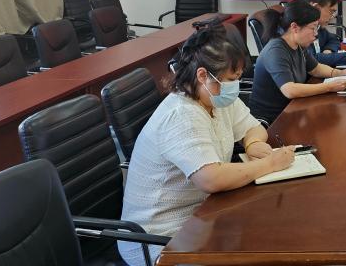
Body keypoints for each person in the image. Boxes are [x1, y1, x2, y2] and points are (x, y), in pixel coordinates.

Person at [119, 21, 295, 265]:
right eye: (231, 78)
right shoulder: (182, 115)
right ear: (202, 75)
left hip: (203, 215)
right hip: (160, 240)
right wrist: (270, 164)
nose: (235, 85)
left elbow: (253, 127)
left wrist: (252, 142)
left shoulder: (214, 96)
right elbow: (211, 179)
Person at [249, 0, 346, 123]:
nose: (316, 34)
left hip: (293, 109)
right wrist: (328, 87)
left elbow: (316, 68)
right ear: (295, 27)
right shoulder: (275, 50)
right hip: (272, 120)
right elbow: (289, 90)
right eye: (313, 28)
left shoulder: (298, 45)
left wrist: (339, 73)